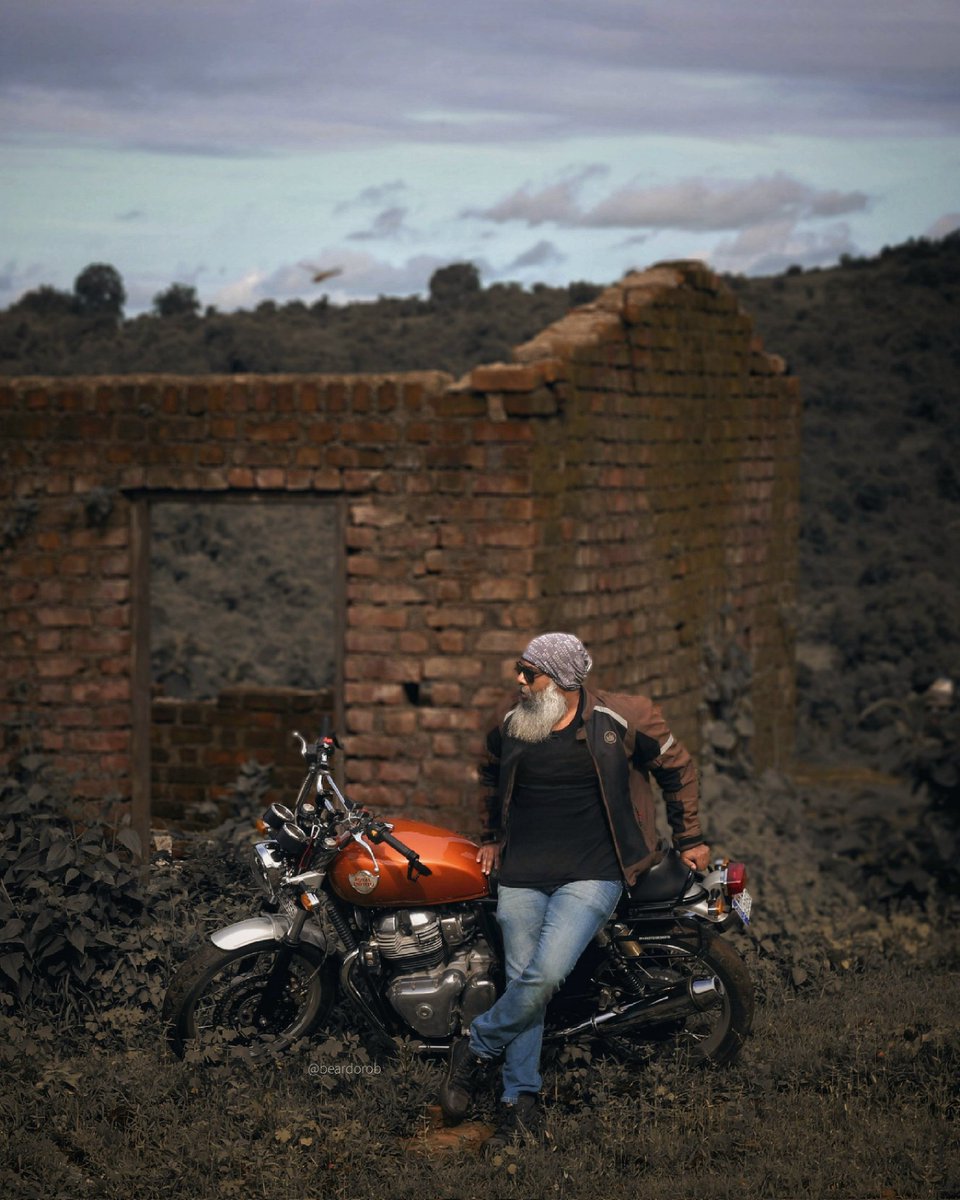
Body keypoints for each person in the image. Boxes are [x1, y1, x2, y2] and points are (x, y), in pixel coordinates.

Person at [439, 631, 710, 1150]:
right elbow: (490, 777)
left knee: (544, 975)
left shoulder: (622, 717)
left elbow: (678, 768)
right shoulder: (511, 722)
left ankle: (475, 1046)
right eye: (519, 669)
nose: (518, 680)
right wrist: (491, 837)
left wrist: (690, 837)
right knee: (523, 979)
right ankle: (519, 1102)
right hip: (522, 873)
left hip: (594, 872)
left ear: (561, 680)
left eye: (529, 672)